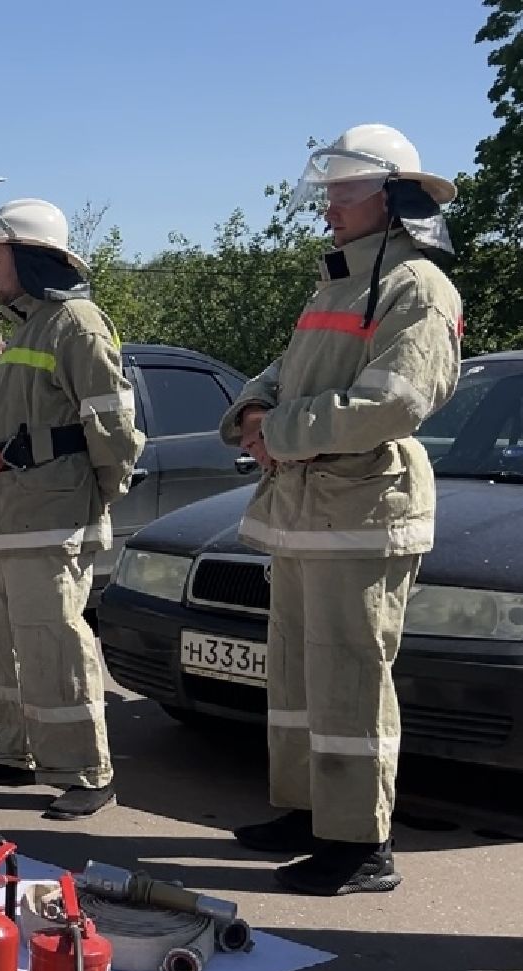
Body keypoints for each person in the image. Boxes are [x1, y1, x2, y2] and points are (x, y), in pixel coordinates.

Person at [223, 125, 462, 896]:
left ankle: (360, 845)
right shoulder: (336, 283)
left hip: (364, 510)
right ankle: (309, 812)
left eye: (344, 191)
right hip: (305, 510)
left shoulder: (416, 286)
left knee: (347, 682)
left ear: (390, 199)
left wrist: (279, 432)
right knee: (294, 675)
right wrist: (252, 408)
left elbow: (392, 400)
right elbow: (286, 370)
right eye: (327, 190)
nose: (327, 205)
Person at [0, 197, 144, 820]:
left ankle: (87, 771)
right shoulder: (30, 325)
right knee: (7, 648)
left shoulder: (78, 323)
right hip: (10, 517)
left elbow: (114, 428)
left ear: (32, 257)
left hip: (51, 517)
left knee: (56, 646)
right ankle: (17, 753)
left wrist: (97, 495)